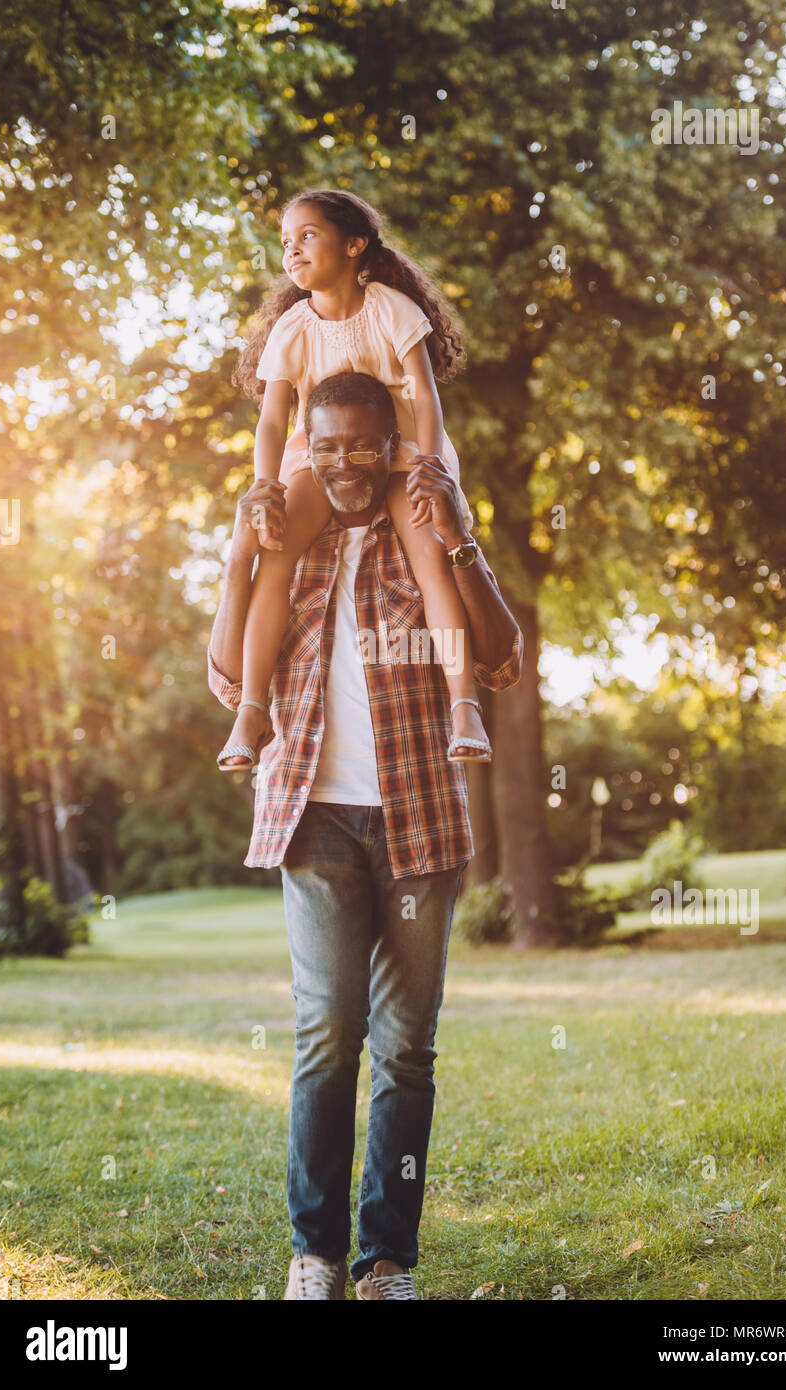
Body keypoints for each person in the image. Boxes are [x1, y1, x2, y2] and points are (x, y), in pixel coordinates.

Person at [208, 371, 523, 1300]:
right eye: (326, 442)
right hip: (313, 816)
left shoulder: (423, 521)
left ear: (390, 445)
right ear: (305, 444)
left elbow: (500, 656)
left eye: (363, 443)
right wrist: (234, 554)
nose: (344, 460)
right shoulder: (287, 538)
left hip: (421, 815)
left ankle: (388, 1258)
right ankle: (317, 1255)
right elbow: (230, 677)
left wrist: (463, 540)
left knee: (404, 1047)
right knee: (326, 1032)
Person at [216, 187, 493, 773]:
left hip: (404, 451)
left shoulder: (391, 309)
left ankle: (464, 703)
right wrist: (266, 487)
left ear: (355, 244)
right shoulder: (292, 328)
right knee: (275, 557)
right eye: (286, 242)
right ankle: (252, 708)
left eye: (307, 235)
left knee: (430, 556)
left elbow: (423, 394)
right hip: (319, 459)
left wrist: (431, 465)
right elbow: (271, 419)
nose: (292, 250)